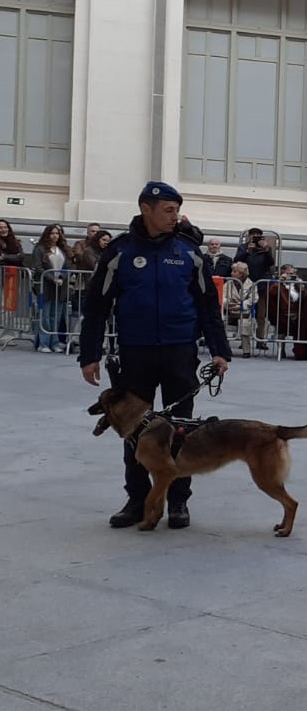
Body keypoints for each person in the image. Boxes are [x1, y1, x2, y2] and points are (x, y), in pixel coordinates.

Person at [79, 181, 231, 530]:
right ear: (146, 209)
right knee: (134, 430)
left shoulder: (189, 252)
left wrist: (220, 351)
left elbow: (208, 306)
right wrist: (89, 355)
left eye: (177, 210)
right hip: (136, 352)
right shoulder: (119, 252)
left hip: (180, 350)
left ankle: (178, 501)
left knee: (182, 430)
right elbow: (97, 307)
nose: (175, 216)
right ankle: (137, 500)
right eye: (168, 210)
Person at [31, 224, 72, 353]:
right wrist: (51, 278)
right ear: (47, 234)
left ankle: (55, 342)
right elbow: (38, 267)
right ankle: (43, 343)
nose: (55, 236)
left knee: (56, 316)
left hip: (60, 286)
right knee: (45, 315)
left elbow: (68, 266)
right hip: (45, 286)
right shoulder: (40, 249)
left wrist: (62, 277)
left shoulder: (63, 249)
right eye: (52, 233)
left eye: (57, 233)